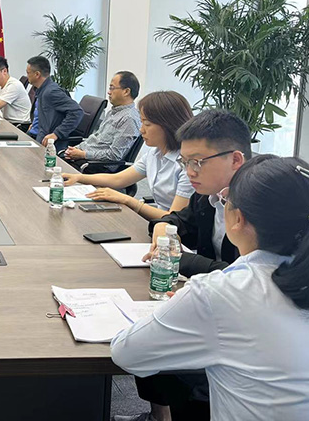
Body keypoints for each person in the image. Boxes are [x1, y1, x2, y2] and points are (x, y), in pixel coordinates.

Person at [112, 155, 309, 421]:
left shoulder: (222, 292)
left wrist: (184, 306)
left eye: (225, 200)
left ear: (238, 219)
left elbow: (126, 353)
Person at [114, 109, 251, 421]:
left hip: (242, 326)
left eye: (197, 162)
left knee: (158, 349)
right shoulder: (209, 196)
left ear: (235, 160)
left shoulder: (258, 208)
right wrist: (164, 227)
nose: (189, 172)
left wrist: (182, 260)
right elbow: (178, 221)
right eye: (185, 162)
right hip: (215, 304)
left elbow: (248, 276)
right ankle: (160, 415)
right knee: (150, 331)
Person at [63, 91, 194, 221]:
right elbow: (118, 179)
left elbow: (175, 218)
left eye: (147, 124)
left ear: (168, 125)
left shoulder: (188, 165)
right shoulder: (155, 154)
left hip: (176, 229)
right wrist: (78, 177)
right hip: (160, 224)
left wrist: (129, 201)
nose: (141, 130)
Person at [64, 71, 141, 165]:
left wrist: (83, 154)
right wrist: (77, 149)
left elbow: (115, 155)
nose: (109, 92)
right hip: (85, 156)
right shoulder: (113, 112)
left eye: (112, 88)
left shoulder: (129, 119)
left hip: (96, 165)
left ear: (126, 91)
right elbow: (96, 140)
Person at [24, 56, 83, 151]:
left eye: (28, 73)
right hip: (35, 136)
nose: (27, 76)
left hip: (45, 144)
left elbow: (77, 111)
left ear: (37, 74)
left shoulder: (51, 92)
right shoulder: (41, 90)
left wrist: (56, 134)